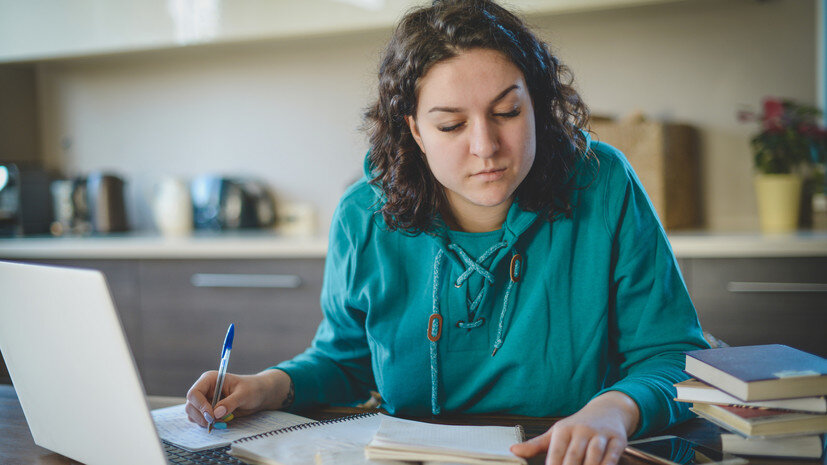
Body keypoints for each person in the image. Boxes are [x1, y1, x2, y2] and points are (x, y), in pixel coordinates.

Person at [185, 1, 710, 464]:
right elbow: (346, 360)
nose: (486, 146)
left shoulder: (605, 184)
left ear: (538, 105)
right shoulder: (363, 213)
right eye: (451, 125)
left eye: (507, 111)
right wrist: (266, 386)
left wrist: (613, 412)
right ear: (414, 129)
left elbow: (670, 355)